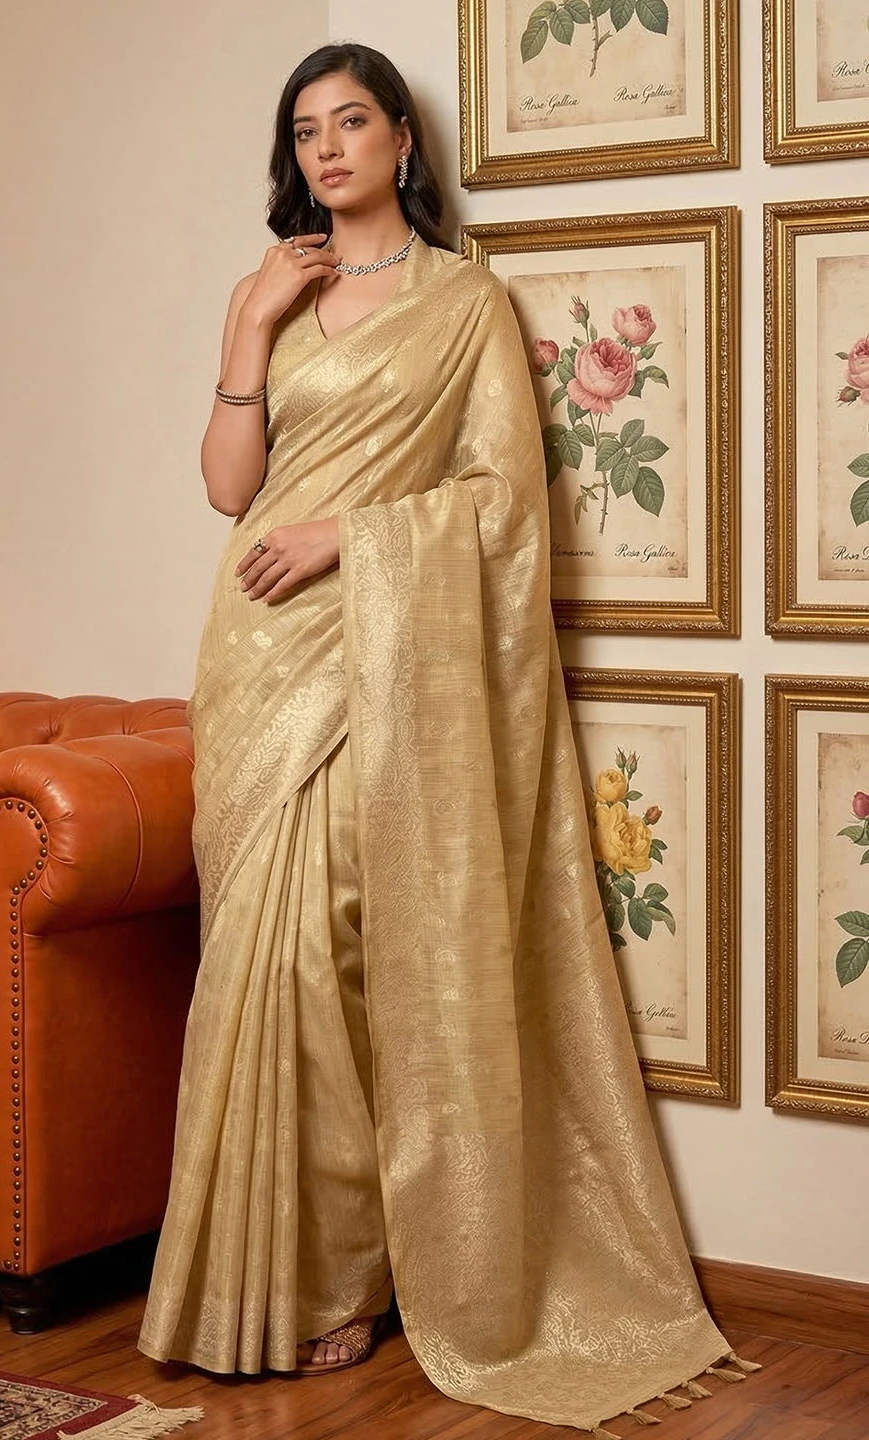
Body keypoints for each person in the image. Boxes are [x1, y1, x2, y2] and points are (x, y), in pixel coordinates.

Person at [138, 41, 757, 1437]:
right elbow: (230, 489)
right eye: (307, 131)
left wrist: (347, 536)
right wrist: (247, 330)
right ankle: (252, 1279)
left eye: (352, 121)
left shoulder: (465, 304)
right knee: (256, 959)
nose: (328, 149)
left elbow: (502, 502)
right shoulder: (274, 297)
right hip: (257, 658)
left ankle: (346, 1275)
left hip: (376, 653)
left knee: (340, 952)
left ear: (403, 142)